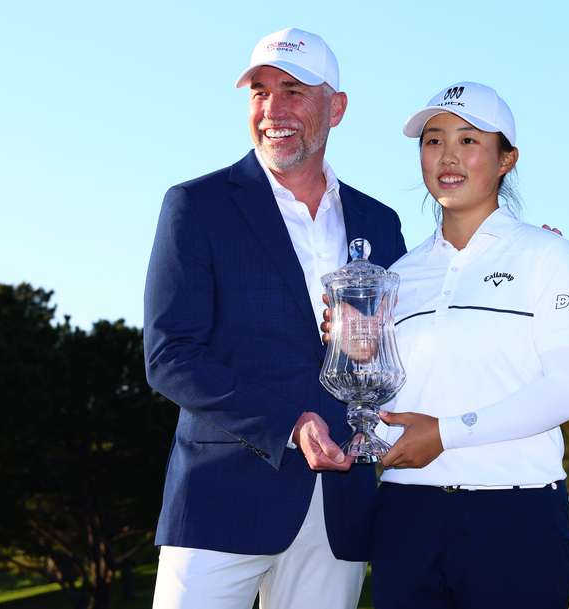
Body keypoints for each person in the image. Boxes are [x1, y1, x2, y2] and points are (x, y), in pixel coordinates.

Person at [143, 27, 406, 609]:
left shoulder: (380, 221)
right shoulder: (197, 206)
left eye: (293, 91)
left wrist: (515, 248)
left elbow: (416, 327)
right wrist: (290, 422)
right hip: (218, 500)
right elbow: (170, 356)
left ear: (335, 108)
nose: (272, 110)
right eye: (259, 92)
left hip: (339, 506)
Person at [369, 82, 569, 609]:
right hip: (406, 519)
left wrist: (446, 436)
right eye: (432, 140)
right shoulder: (397, 276)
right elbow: (385, 398)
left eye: (468, 140)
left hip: (514, 521)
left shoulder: (548, 255)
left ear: (506, 160)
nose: (447, 156)